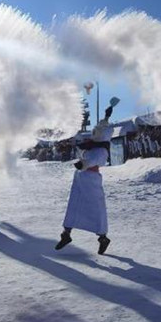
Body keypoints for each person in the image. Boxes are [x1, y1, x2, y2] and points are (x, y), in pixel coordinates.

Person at [55, 105, 115, 254]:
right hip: (81, 180)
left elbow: (95, 161)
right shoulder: (93, 146)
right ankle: (66, 234)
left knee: (95, 210)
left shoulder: (101, 150)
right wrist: (106, 116)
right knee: (73, 207)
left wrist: (84, 164)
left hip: (91, 182)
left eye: (98, 132)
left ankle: (103, 238)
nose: (95, 132)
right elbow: (102, 127)